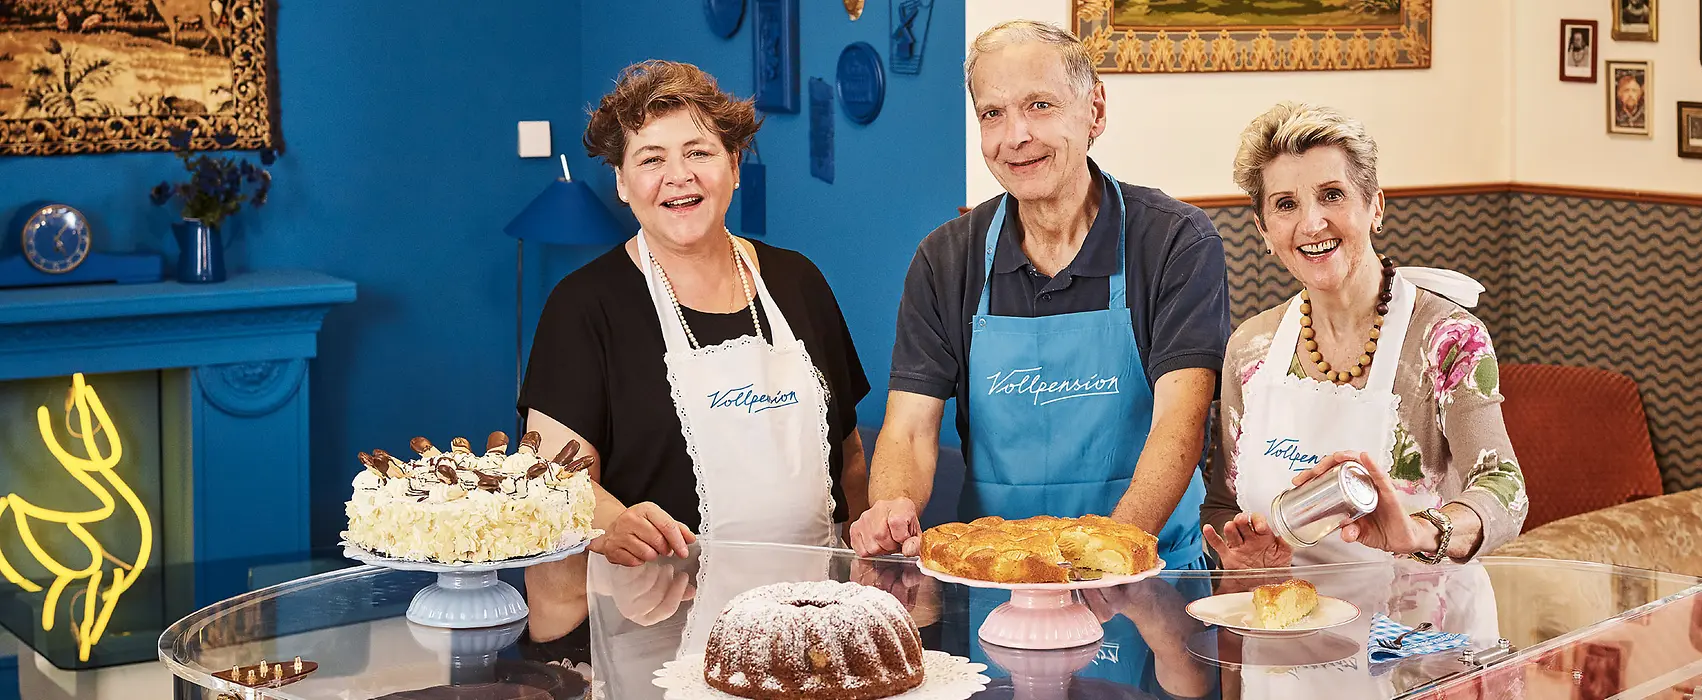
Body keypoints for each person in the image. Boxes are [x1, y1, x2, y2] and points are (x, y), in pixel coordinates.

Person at [515, 59, 872, 659]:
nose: (677, 177)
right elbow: (553, 480)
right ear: (623, 184)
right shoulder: (585, 307)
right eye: (651, 159)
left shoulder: (799, 281)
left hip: (812, 626)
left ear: (733, 166)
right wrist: (613, 522)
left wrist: (874, 582)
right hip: (652, 630)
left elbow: (849, 455)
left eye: (699, 153)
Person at [851, 19, 1231, 571]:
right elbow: (909, 428)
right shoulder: (945, 259)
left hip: (1148, 578)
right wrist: (891, 507)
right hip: (996, 579)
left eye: (1040, 106)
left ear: (1094, 110)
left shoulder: (1175, 242)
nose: (1015, 136)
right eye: (992, 113)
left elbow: (1180, 423)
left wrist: (1107, 558)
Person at [1200, 101, 1529, 570]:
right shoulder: (1250, 350)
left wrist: (1420, 530)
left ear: (1375, 204)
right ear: (1264, 230)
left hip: (1422, 634)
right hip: (1287, 632)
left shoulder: (1448, 339)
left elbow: (1504, 487)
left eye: (1332, 195)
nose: (1312, 223)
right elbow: (1223, 502)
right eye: (1286, 205)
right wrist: (1244, 551)